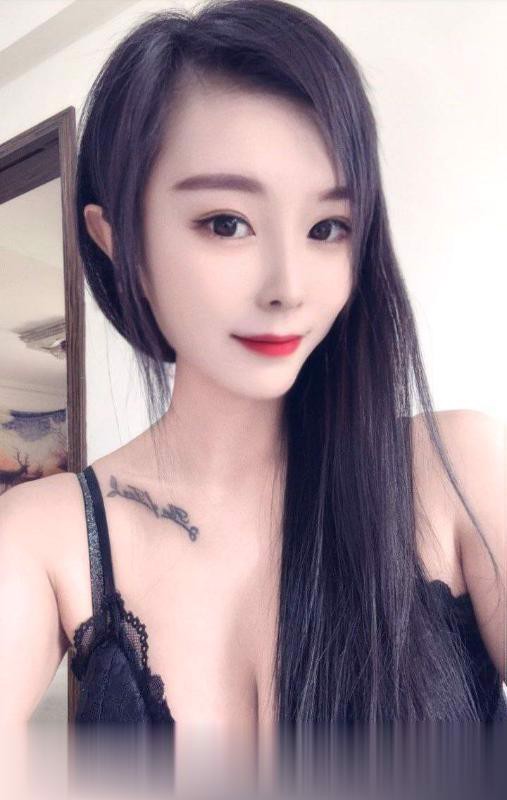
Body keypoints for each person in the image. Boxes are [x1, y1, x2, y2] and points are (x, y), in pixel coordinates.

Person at [1, 0, 505, 793]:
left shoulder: (452, 469)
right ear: (117, 240)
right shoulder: (47, 536)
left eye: (327, 228)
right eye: (226, 223)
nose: (287, 288)